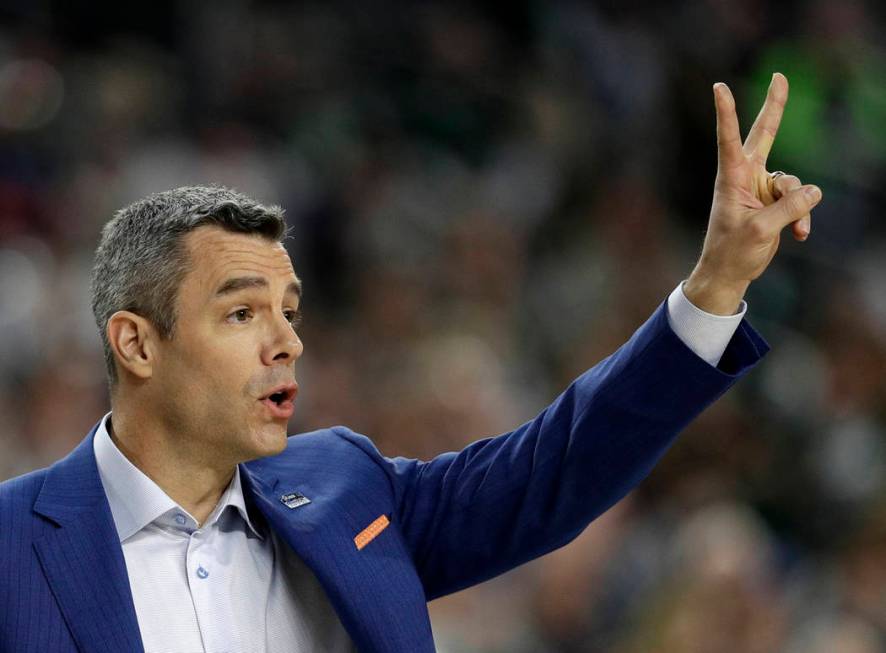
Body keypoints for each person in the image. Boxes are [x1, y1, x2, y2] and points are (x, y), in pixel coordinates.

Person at [0, 74, 821, 653]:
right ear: (136, 343)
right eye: (242, 312)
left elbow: (556, 468)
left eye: (291, 311)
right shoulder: (13, 542)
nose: (286, 340)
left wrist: (713, 286)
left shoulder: (344, 487)